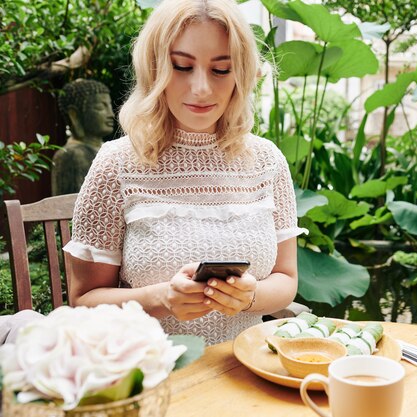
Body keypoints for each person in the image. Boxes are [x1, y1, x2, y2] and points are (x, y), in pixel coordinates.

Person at [63, 0, 306, 345]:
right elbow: (83, 301)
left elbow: (285, 278)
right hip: (151, 373)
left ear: (242, 74)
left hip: (244, 371)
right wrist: (160, 299)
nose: (202, 88)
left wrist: (248, 298)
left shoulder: (267, 161)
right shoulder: (116, 164)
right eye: (181, 66)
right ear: (154, 67)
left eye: (221, 70)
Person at [52, 79, 115, 195]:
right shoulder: (71, 155)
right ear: (74, 115)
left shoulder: (110, 151)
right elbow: (69, 206)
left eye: (109, 107)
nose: (111, 114)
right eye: (101, 108)